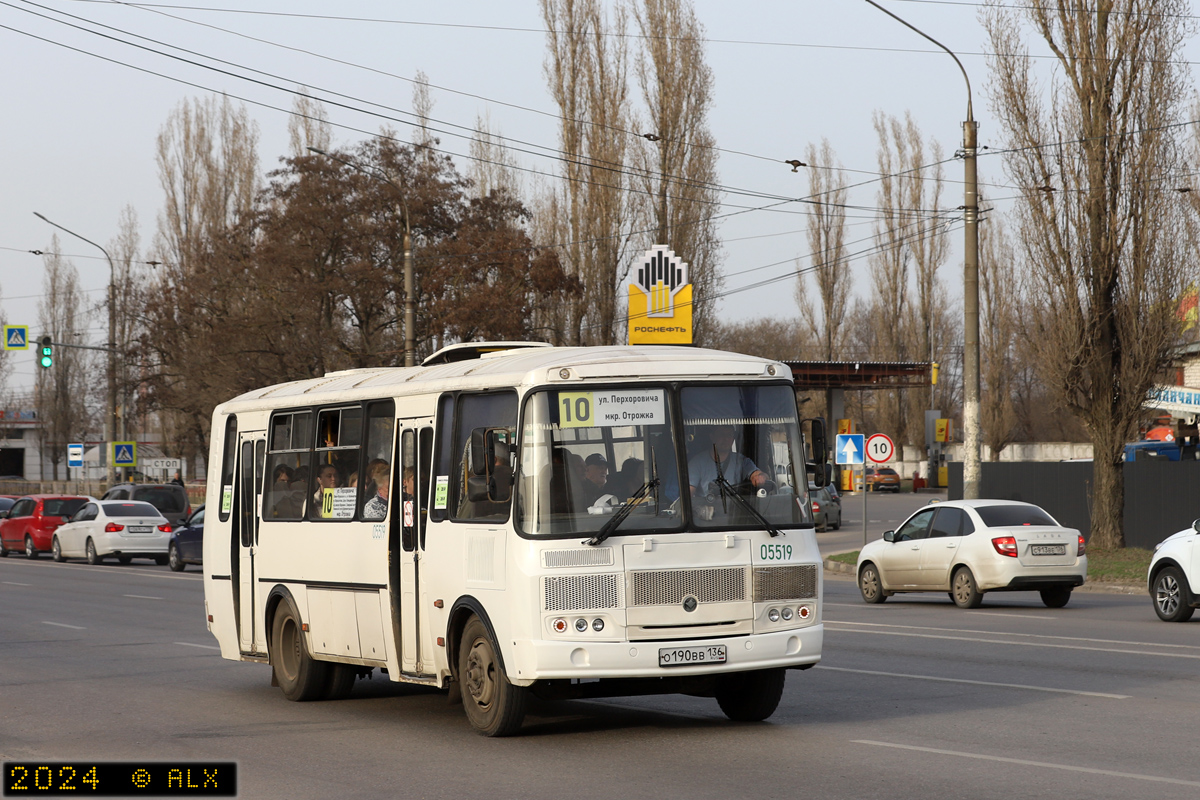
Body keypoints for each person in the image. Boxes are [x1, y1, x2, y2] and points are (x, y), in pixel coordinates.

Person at [688, 424, 766, 500]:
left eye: (729, 435)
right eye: (722, 435)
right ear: (712, 437)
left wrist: (759, 477)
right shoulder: (696, 463)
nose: (726, 439)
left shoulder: (741, 460)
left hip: (735, 510)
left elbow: (758, 473)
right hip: (708, 510)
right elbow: (688, 495)